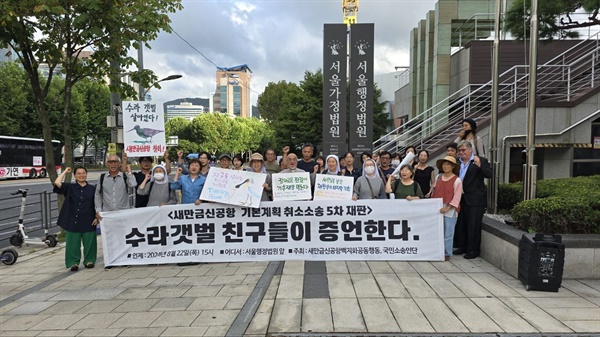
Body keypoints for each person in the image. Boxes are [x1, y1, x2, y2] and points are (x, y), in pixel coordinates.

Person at [453, 140, 492, 259]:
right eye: (459, 150)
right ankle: (462, 246)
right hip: (460, 198)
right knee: (462, 224)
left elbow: (489, 174)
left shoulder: (480, 160)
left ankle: (473, 250)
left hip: (475, 199)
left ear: (470, 150)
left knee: (473, 225)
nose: (461, 152)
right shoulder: (456, 162)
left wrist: (480, 165)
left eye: (463, 150)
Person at [54, 166, 98, 271]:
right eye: (78, 173)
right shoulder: (70, 187)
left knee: (90, 242)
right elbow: (57, 183)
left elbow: (97, 203)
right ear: (74, 176)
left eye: (83, 173)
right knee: (72, 243)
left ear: (86, 175)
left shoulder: (93, 189)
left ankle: (89, 260)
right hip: (73, 219)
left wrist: (97, 217)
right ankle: (73, 262)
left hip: (89, 219)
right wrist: (65, 171)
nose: (81, 175)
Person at [431, 156, 463, 261]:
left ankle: (446, 253)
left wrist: (448, 207)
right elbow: (435, 191)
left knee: (448, 232)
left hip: (450, 209)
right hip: (438, 206)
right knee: (437, 230)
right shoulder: (438, 177)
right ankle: (436, 250)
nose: (446, 166)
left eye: (448, 164)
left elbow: (457, 197)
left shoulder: (457, 180)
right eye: (444, 164)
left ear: (453, 166)